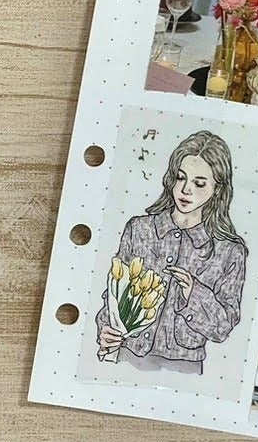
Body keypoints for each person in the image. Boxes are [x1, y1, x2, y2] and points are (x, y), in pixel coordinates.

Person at [94, 130, 249, 374]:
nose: (186, 190)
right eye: (180, 178)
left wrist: (193, 292)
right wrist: (105, 328)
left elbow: (223, 327)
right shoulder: (139, 229)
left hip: (182, 367)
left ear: (217, 189)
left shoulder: (229, 251)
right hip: (127, 357)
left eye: (199, 183)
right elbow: (113, 293)